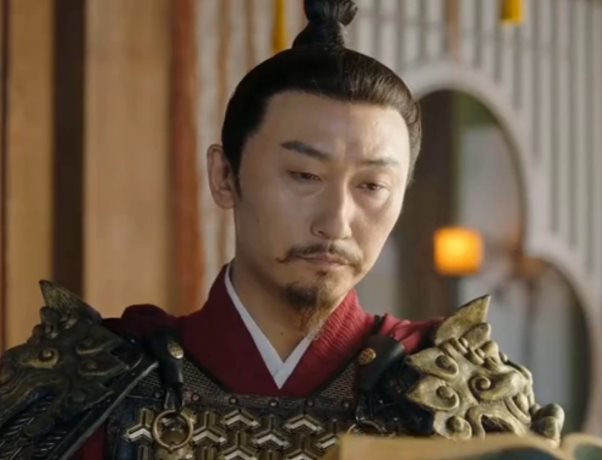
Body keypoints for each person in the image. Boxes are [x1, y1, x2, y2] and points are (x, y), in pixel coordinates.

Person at [0, 0, 564, 458]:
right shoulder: (98, 388)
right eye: (304, 175)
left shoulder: (458, 403)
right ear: (224, 176)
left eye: (372, 186)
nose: (336, 222)